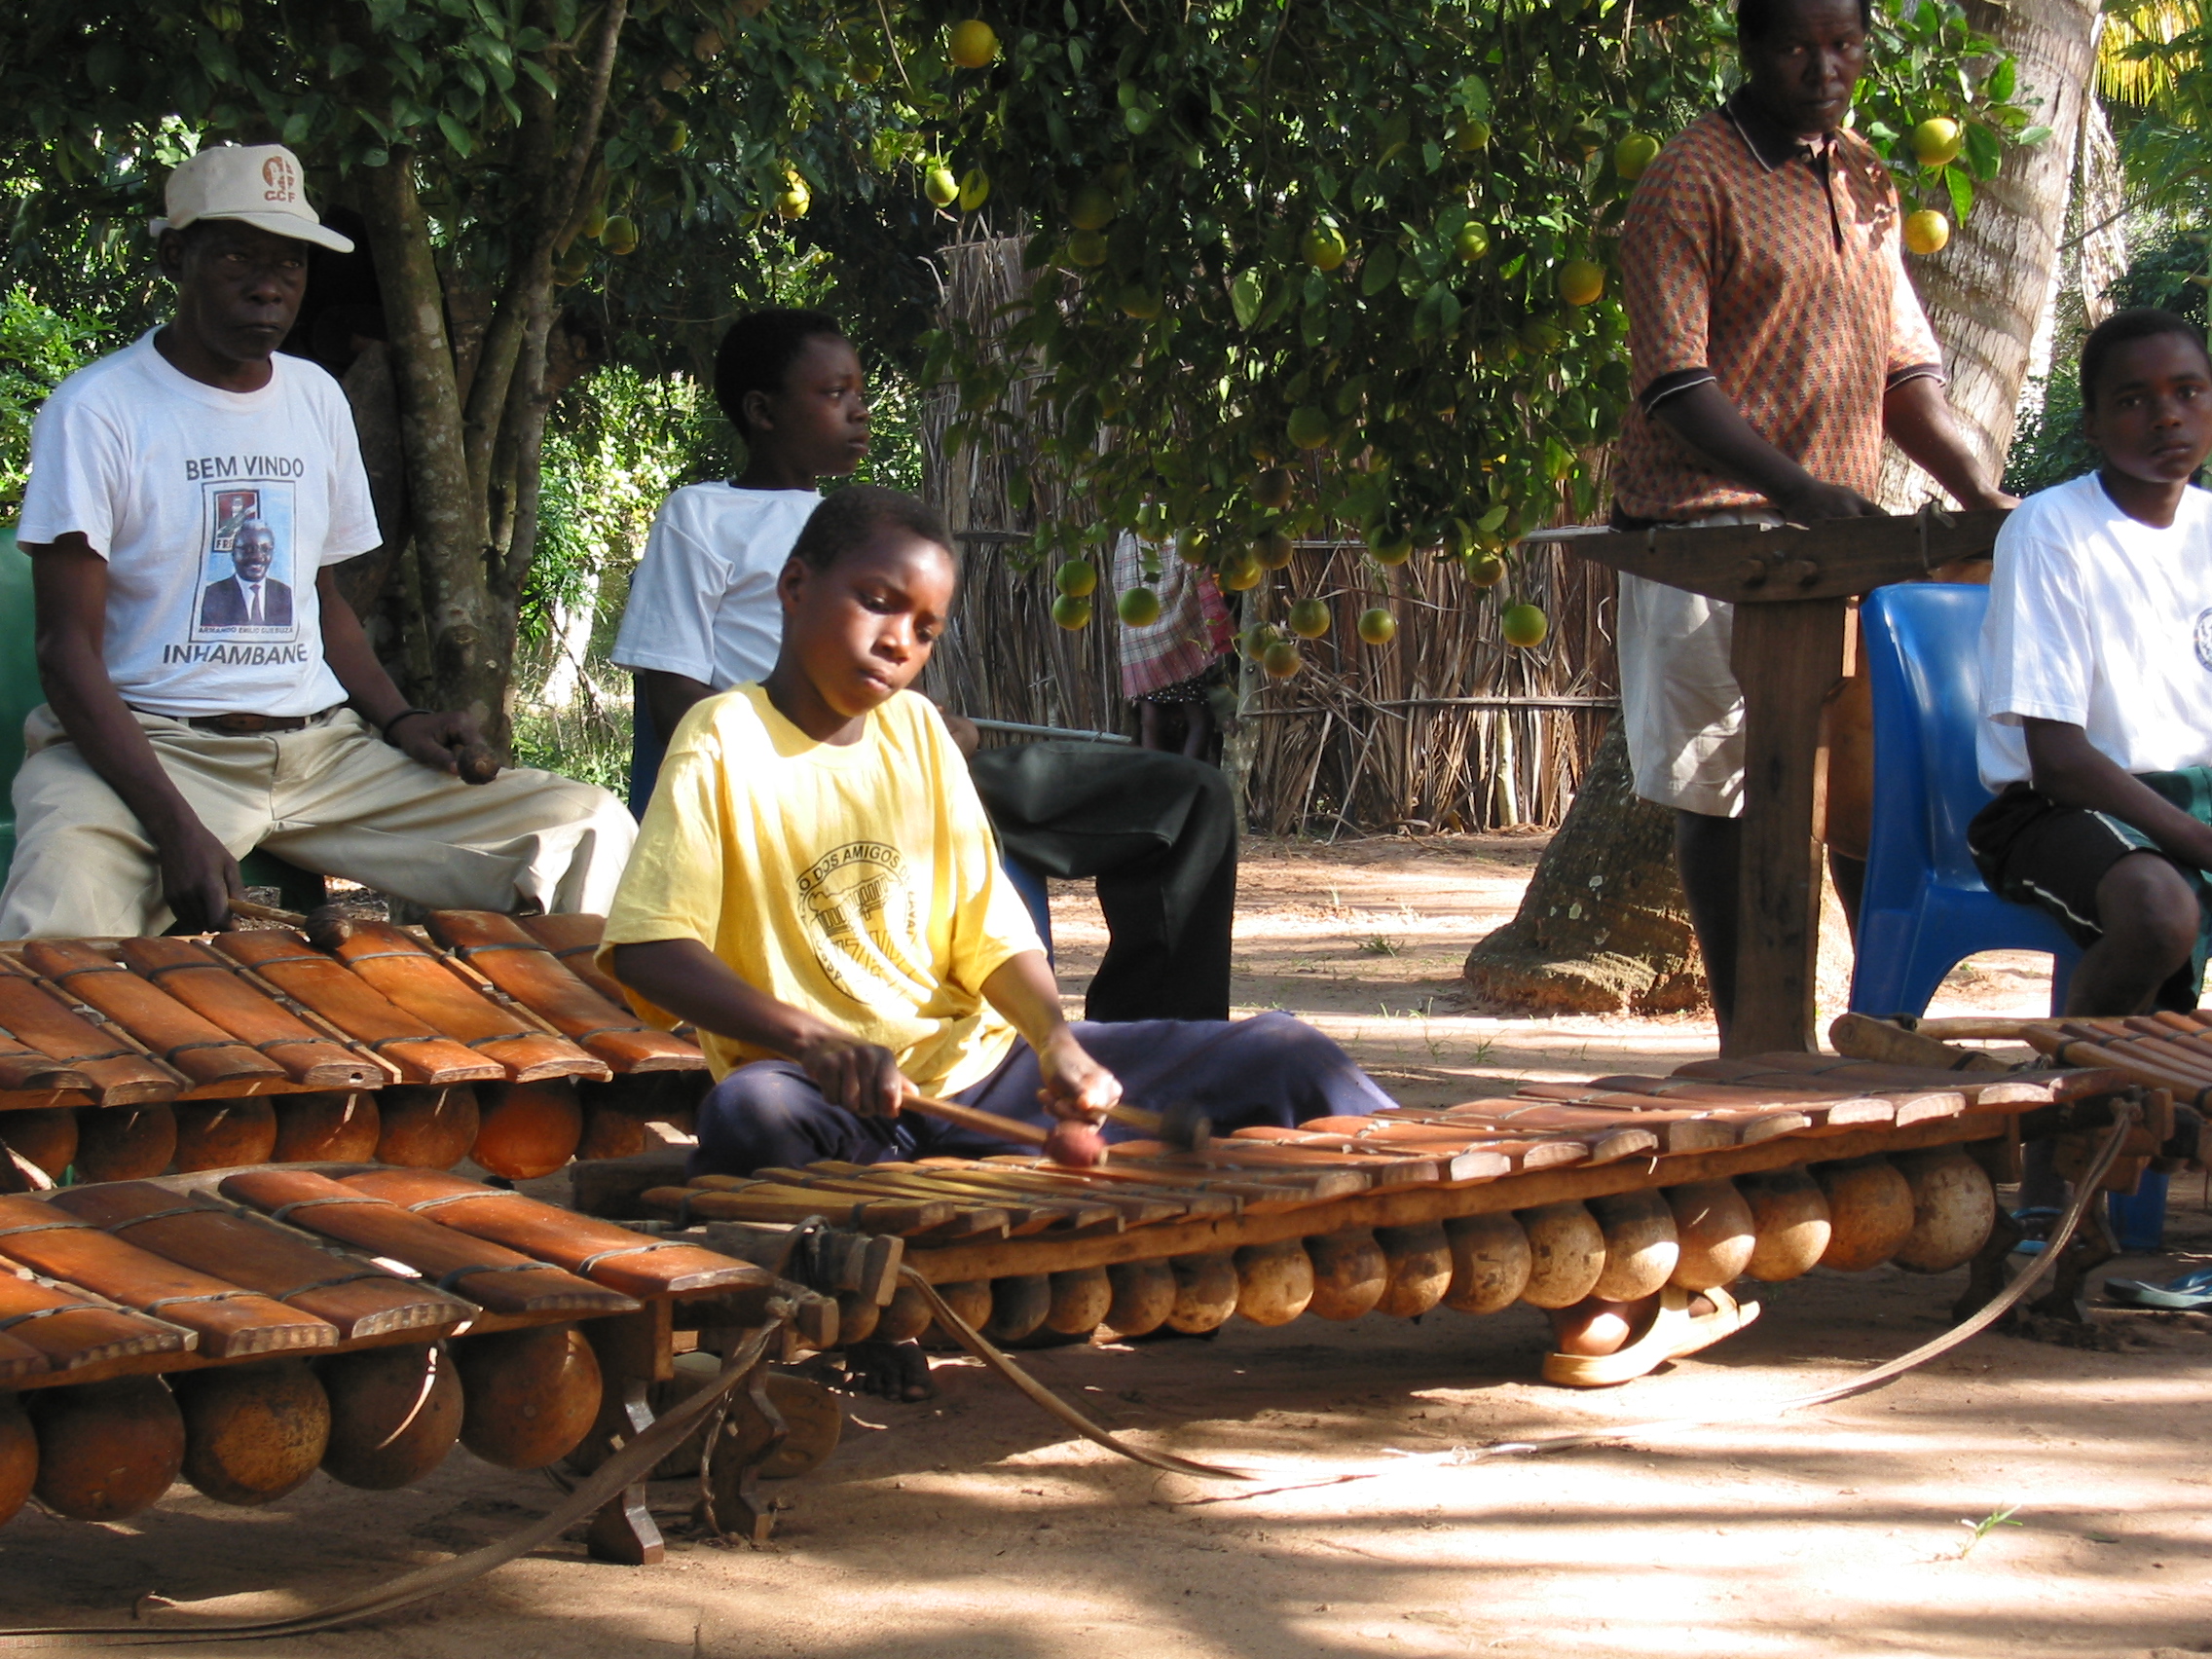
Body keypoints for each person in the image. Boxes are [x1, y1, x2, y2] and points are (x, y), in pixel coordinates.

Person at [601, 487, 1396, 1392]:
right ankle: (871, 1310)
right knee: (748, 1115)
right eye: (877, 601)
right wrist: (811, 1039)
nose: (900, 640)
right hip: (834, 1103)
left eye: (927, 626)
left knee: (1289, 1054)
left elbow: (989, 930)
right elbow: (649, 947)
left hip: (980, 1077)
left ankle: (1451, 1213)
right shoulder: (724, 739)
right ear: (793, 586)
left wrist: (1054, 1041)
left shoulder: (919, 737)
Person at [0, 143, 635, 939]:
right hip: (151, 751)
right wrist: (172, 826)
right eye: (237, 255)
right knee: (50, 941)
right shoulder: (98, 409)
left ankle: (572, 1064)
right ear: (175, 255)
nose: (269, 285)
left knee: (588, 828)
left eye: (290, 264)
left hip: (322, 757)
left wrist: (401, 722)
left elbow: (322, 601)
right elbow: (66, 653)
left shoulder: (316, 398)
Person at [611, 309, 1237, 1021]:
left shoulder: (860, 523)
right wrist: (807, 755)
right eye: (834, 393)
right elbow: (670, 694)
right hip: (813, 789)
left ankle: (1157, 1039)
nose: (860, 410)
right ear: (762, 410)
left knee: (1188, 799)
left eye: (860, 393)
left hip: (922, 770)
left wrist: (931, 724)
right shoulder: (701, 516)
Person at [1612, 0, 2014, 1043]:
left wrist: (1982, 494)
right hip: (1705, 538)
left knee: (1863, 790)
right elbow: (1672, 382)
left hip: (1839, 542)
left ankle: (1877, 1017)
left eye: (1844, 46)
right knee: (1724, 794)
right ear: (1749, 48)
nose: (1823, 67)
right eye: (1797, 46)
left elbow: (1906, 374)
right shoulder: (1688, 176)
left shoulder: (1865, 176)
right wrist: (1795, 490)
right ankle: (1755, 1040)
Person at [1970, 308, 2212, 1018]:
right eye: (2133, 400)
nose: (2167, 417)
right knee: (2159, 913)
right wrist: (2201, 842)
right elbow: (2060, 760)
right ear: (2093, 426)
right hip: (2061, 807)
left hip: (2193, 793)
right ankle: (2078, 1103)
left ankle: (2174, 1101)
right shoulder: (2051, 530)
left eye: (2188, 391)